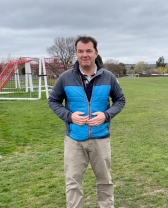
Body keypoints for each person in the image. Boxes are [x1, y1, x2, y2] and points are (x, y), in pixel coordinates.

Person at [48, 35, 126, 208]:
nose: (85, 55)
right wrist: (70, 116)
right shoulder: (66, 78)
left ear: (96, 53)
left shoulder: (108, 77)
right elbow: (53, 100)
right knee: (73, 183)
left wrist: (106, 115)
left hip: (101, 138)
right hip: (74, 139)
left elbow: (120, 100)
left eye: (88, 51)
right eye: (80, 51)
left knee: (105, 181)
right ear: (76, 53)